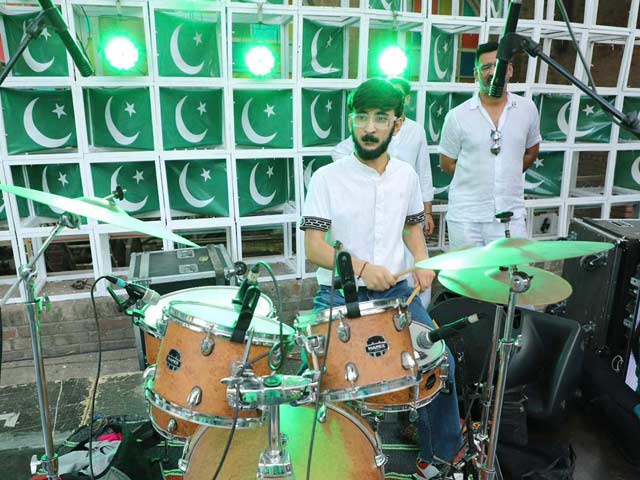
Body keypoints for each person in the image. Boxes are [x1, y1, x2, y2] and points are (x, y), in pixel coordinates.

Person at [301, 78, 462, 480]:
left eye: (380, 118)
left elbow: (412, 229)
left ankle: (440, 457)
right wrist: (360, 267)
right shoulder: (326, 177)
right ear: (351, 120)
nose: (369, 128)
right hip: (339, 294)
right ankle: (332, 463)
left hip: (396, 293)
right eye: (361, 117)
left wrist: (422, 261)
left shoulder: (406, 176)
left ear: (397, 123)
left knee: (439, 361)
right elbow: (314, 247)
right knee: (322, 375)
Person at [439, 41, 541, 249]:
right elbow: (447, 163)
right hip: (466, 217)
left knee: (513, 269)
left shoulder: (527, 109)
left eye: (499, 65)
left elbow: (531, 152)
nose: (493, 72)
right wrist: (480, 178)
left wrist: (506, 172)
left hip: (510, 214)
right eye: (485, 67)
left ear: (509, 70)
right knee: (468, 271)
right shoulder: (457, 116)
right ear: (476, 75)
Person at [331, 77, 435, 236]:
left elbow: (424, 170)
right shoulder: (370, 130)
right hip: (372, 202)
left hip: (406, 201)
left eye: (397, 94)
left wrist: (427, 212)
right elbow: (339, 151)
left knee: (407, 244)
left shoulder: (416, 131)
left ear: (407, 99)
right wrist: (359, 177)